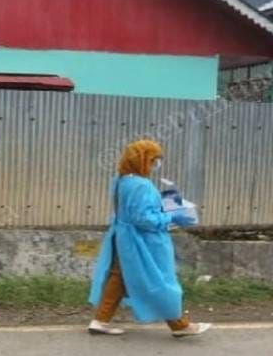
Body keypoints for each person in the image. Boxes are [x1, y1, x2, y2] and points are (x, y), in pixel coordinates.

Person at [87, 139, 211, 338]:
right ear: (143, 160)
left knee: (118, 277)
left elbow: (132, 210)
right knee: (160, 279)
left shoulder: (120, 180)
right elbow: (143, 218)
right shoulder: (142, 185)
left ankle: (100, 320)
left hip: (122, 237)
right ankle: (179, 325)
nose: (156, 164)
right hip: (143, 242)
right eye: (153, 159)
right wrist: (172, 215)